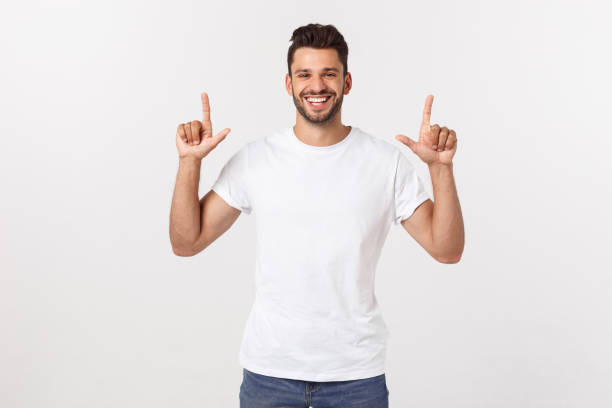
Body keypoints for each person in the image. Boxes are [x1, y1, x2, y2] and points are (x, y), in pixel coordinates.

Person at [169, 23, 464, 408]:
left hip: (356, 377)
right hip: (270, 374)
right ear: (288, 84)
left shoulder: (384, 163)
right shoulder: (256, 160)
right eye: (304, 74)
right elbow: (186, 242)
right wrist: (189, 163)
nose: (317, 85)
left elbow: (447, 250)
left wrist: (440, 169)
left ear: (347, 81)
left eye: (329, 73)